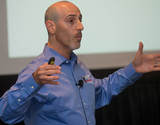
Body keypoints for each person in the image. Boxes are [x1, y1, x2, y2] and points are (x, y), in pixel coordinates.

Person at [0, 1, 160, 125]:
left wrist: (134, 69)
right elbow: (6, 115)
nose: (81, 27)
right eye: (71, 20)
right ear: (51, 27)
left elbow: (100, 93)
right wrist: (33, 81)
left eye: (80, 20)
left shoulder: (78, 66)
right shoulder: (37, 71)